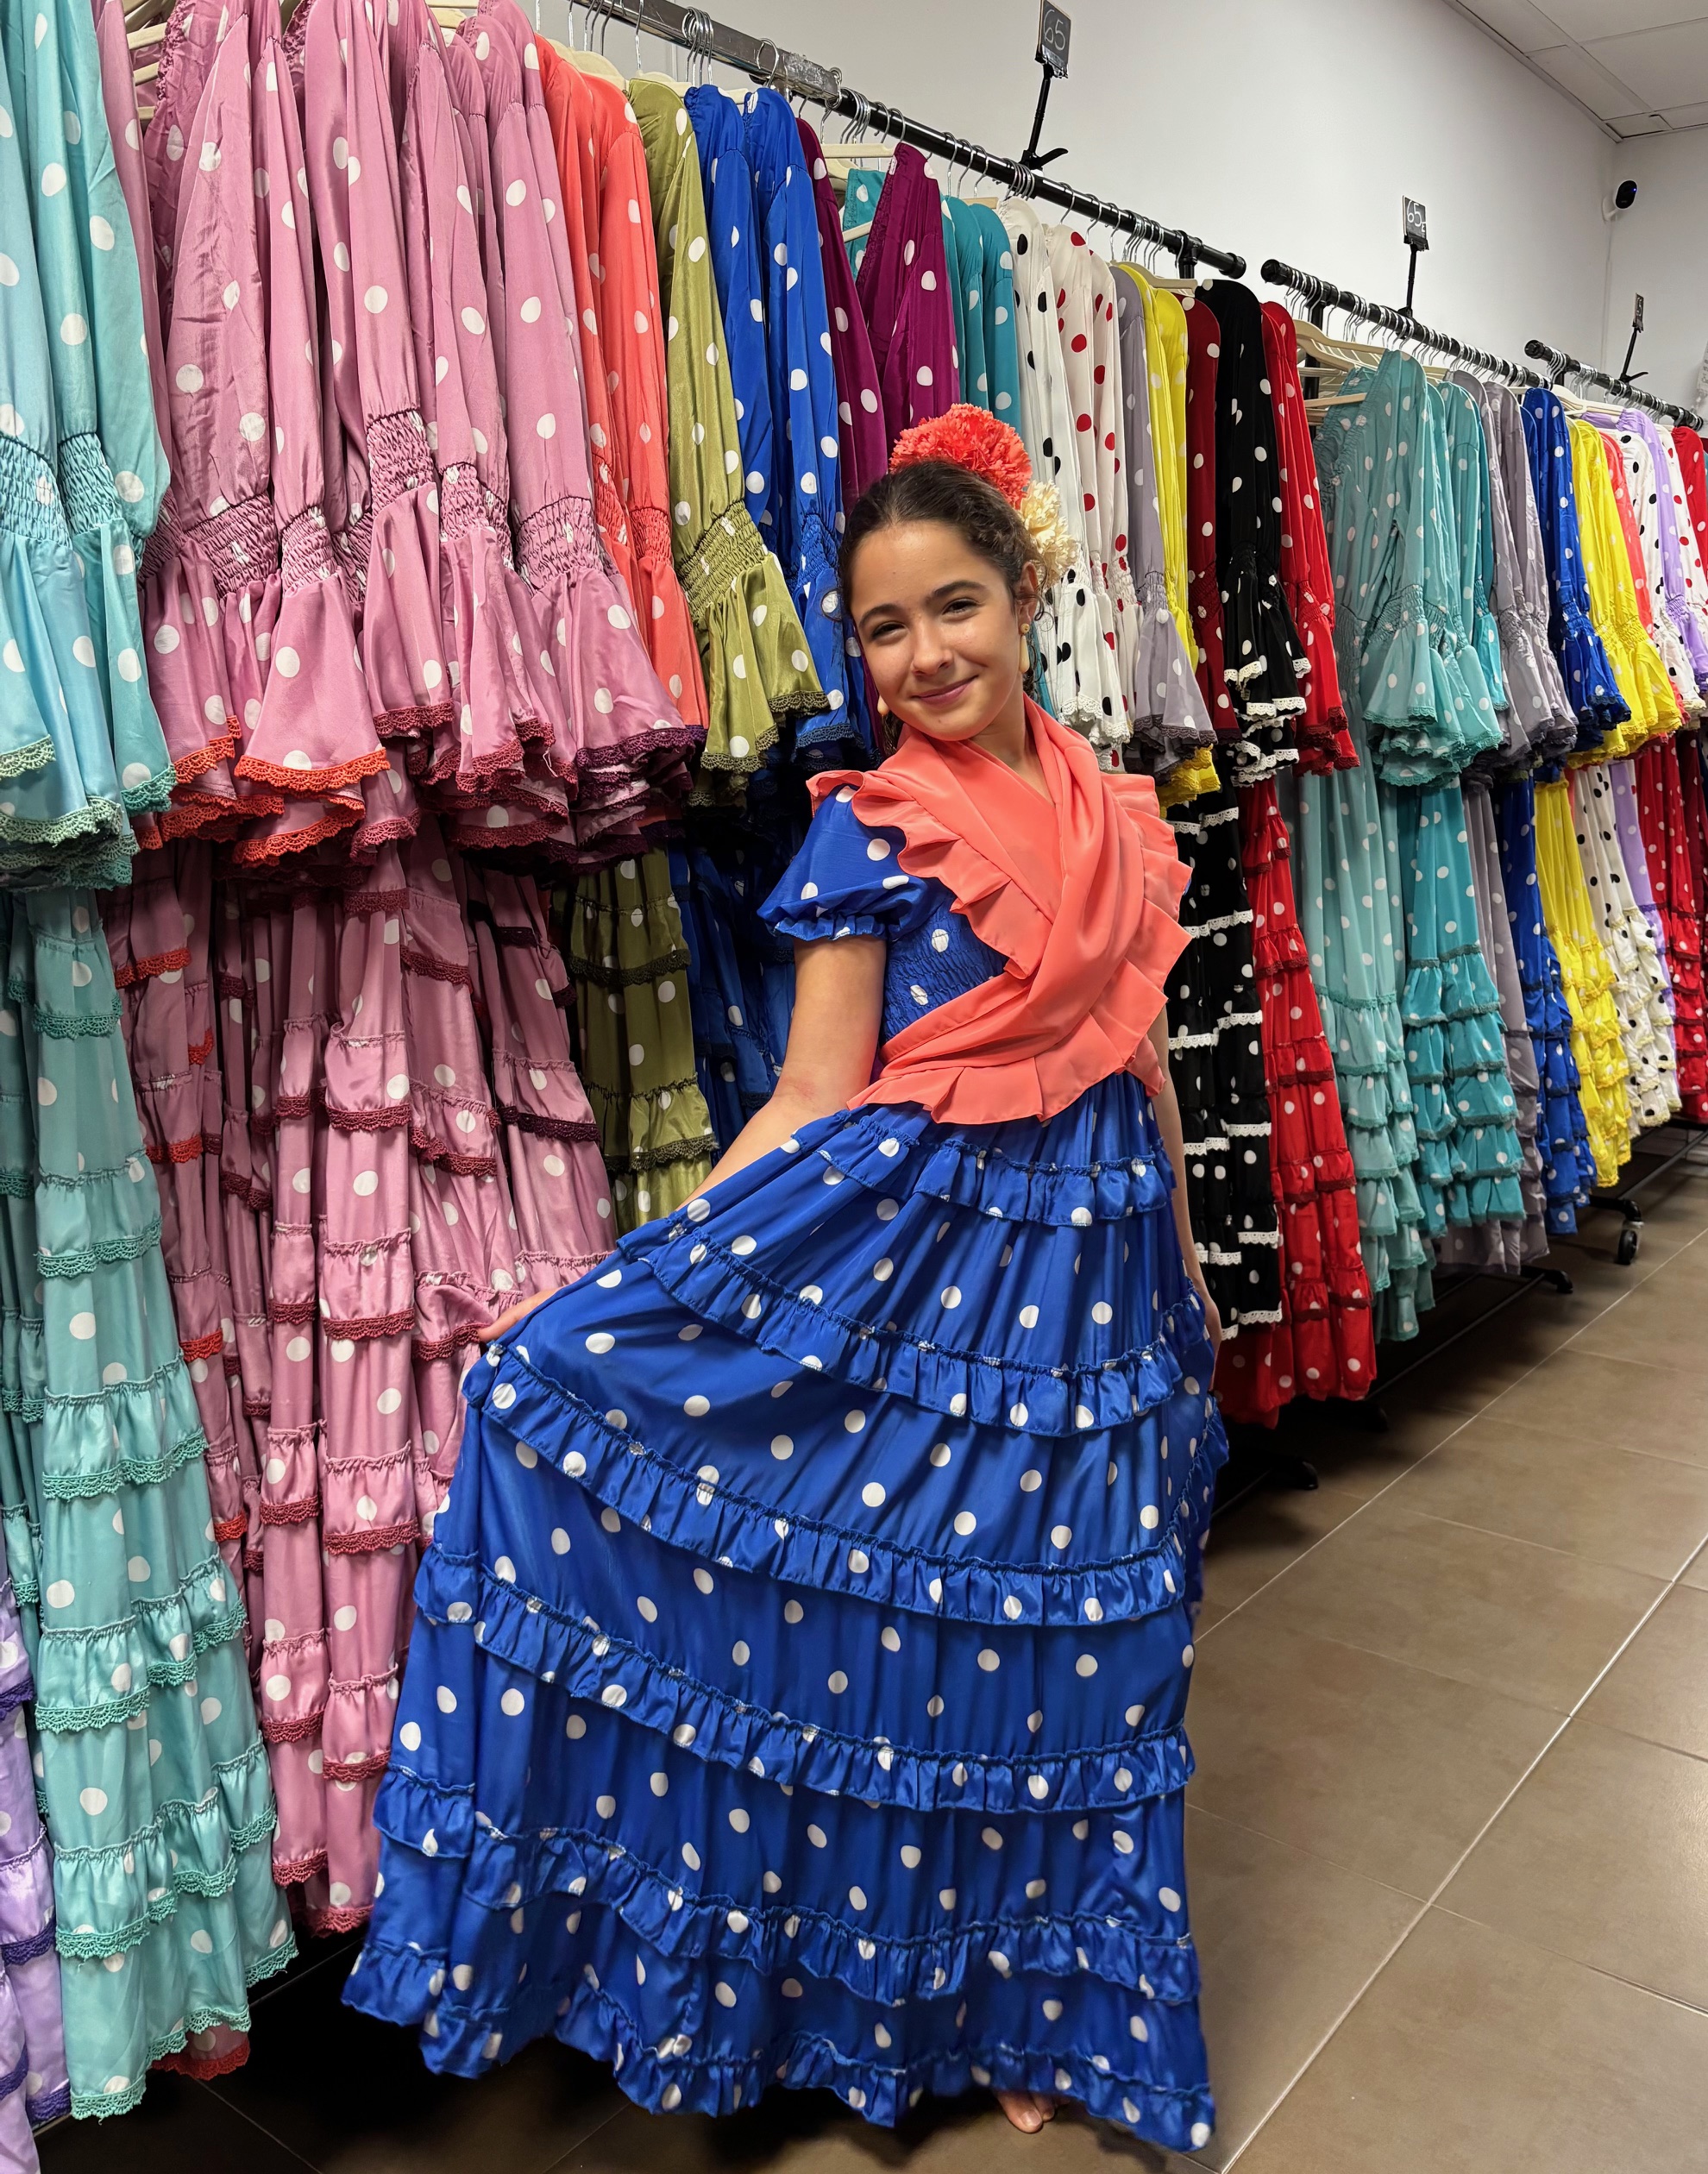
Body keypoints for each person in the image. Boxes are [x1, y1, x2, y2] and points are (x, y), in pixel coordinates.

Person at [347, 405, 1222, 2153]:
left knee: (1082, 1652)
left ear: (1024, 593)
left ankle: (1034, 1999)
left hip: (1094, 1286)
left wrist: (1185, 1263)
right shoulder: (869, 826)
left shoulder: (1113, 808)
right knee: (919, 1643)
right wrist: (630, 1282)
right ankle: (895, 2001)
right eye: (886, 627)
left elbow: (1139, 1060)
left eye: (955, 606)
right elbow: (815, 1092)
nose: (925, 655)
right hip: (919, 1271)